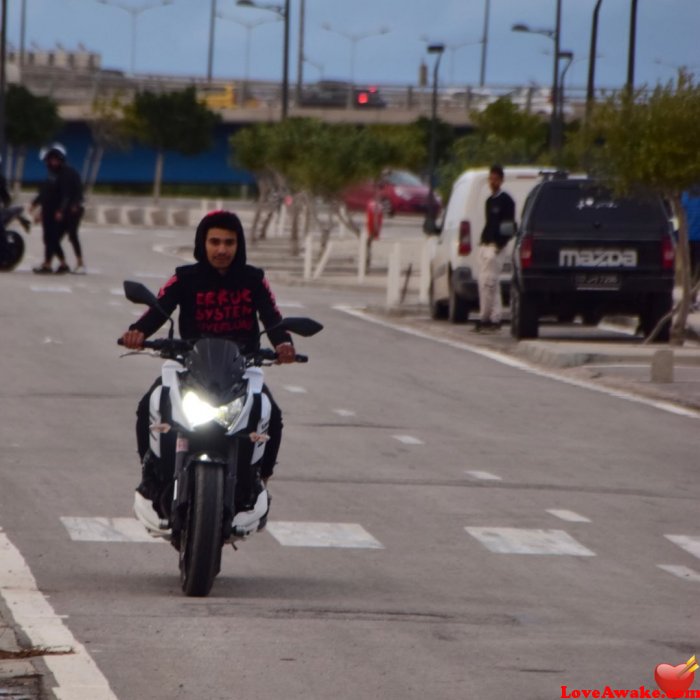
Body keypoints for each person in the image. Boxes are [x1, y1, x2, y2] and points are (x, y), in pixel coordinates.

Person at [120, 210, 296, 527]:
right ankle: (151, 476)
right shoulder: (185, 277)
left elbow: (272, 317)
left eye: (229, 242)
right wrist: (138, 333)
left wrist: (283, 344)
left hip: (242, 364)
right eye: (214, 241)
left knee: (272, 414)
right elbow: (159, 310)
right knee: (150, 403)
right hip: (189, 361)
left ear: (238, 245)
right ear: (203, 243)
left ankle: (259, 480)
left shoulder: (253, 279)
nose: (222, 249)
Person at [30, 143, 86, 274]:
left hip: (70, 211)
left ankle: (79, 261)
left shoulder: (68, 173)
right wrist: (36, 205)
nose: (52, 162)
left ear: (60, 159)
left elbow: (67, 195)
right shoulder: (52, 174)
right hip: (55, 211)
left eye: (55, 159)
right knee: (50, 238)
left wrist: (61, 210)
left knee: (70, 236)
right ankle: (53, 263)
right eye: (50, 159)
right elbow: (46, 193)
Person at [475, 164, 516, 332]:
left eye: (496, 179)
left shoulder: (506, 201)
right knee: (490, 283)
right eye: (491, 179)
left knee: (489, 282)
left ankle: (486, 317)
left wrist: (500, 244)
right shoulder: (489, 201)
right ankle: (494, 316)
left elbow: (509, 226)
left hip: (496, 247)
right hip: (485, 245)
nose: (492, 182)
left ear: (501, 180)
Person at [681, 187, 700, 308]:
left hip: (689, 238)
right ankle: (691, 297)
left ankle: (691, 297)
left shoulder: (686, 194)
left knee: (691, 269)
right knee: (693, 270)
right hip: (693, 237)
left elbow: (681, 211)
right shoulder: (686, 194)